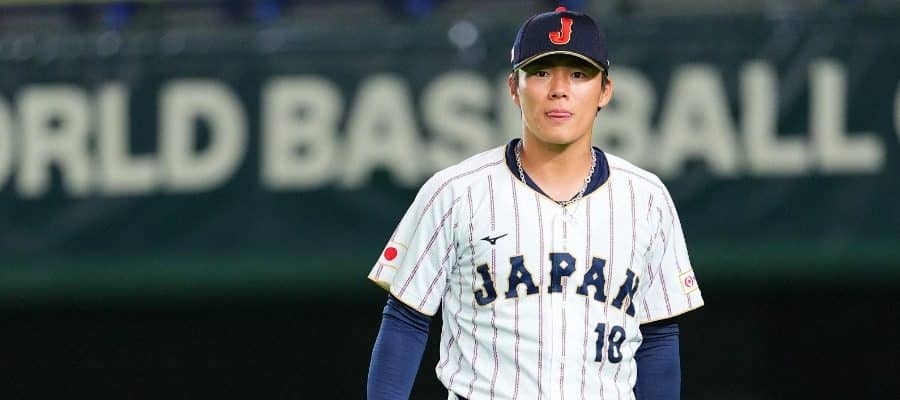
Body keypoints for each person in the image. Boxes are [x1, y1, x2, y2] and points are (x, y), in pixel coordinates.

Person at [366, 6, 703, 400]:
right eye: (541, 72)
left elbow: (658, 336)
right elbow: (405, 321)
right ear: (513, 87)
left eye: (578, 74)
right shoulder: (454, 192)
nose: (559, 89)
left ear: (605, 91)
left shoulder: (647, 199)